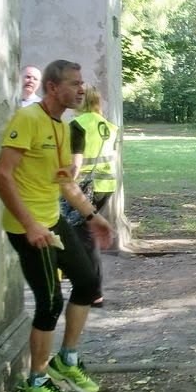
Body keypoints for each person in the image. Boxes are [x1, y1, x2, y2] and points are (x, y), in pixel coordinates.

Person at [0, 60, 114, 392]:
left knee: (87, 283)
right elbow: (1, 176)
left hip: (54, 220)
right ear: (52, 87)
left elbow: (65, 182)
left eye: (81, 82)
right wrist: (30, 225)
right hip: (28, 228)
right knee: (49, 303)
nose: (81, 89)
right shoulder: (28, 119)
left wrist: (93, 216)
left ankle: (67, 360)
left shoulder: (61, 126)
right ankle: (36, 383)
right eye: (74, 83)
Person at [70, 85, 120, 308]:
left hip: (85, 186)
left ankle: (93, 292)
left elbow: (76, 164)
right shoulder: (109, 127)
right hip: (106, 185)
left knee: (83, 237)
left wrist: (67, 186)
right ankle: (88, 287)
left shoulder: (78, 124)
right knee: (84, 235)